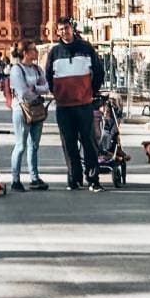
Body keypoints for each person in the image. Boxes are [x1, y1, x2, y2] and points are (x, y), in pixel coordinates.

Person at [44, 16, 104, 192]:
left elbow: (99, 71)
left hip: (84, 103)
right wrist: (58, 93)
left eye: (67, 28)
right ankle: (74, 178)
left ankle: (93, 178)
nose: (64, 31)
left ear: (72, 28)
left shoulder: (86, 48)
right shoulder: (54, 52)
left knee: (89, 141)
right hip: (64, 106)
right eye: (61, 29)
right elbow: (48, 76)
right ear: (57, 32)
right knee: (68, 143)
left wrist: (91, 91)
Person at [9, 40, 50, 191]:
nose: (36, 52)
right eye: (33, 49)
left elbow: (47, 87)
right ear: (25, 53)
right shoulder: (16, 70)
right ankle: (15, 179)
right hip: (21, 110)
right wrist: (37, 89)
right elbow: (23, 91)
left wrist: (36, 88)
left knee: (34, 145)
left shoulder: (37, 69)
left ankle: (34, 177)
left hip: (37, 109)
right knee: (20, 145)